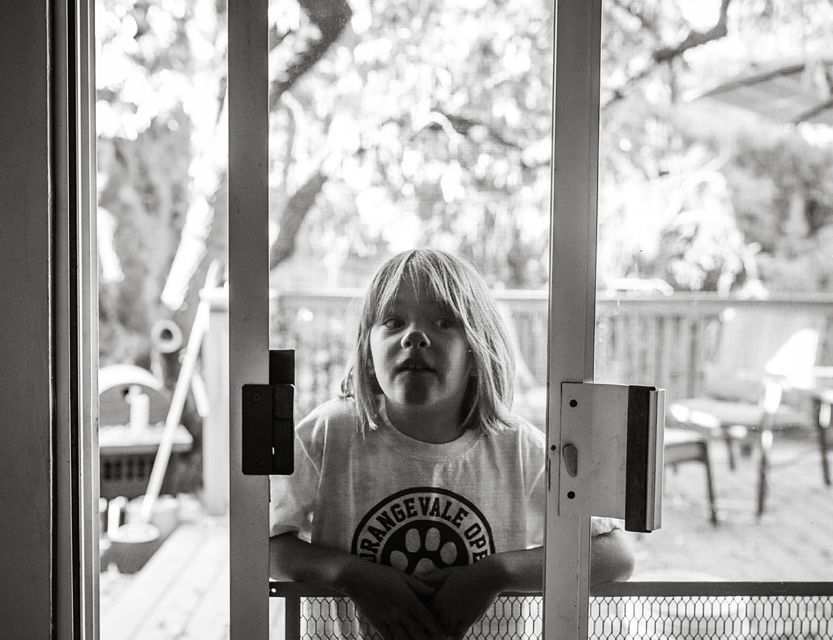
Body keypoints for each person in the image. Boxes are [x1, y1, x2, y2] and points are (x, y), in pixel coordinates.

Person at [269, 249, 634, 640]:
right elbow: (265, 545)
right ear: (367, 350)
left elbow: (614, 555)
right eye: (393, 321)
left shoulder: (516, 447)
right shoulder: (330, 433)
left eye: (444, 321)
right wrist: (350, 575)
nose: (414, 336)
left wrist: (495, 574)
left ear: (478, 348)